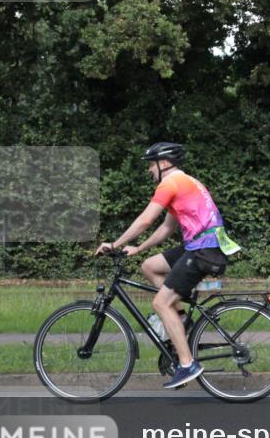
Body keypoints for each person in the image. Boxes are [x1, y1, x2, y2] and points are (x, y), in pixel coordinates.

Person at [95, 142, 235, 388]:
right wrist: (138, 249)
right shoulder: (185, 183)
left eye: (151, 164)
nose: (149, 170)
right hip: (202, 246)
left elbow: (146, 220)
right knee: (149, 266)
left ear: (164, 163)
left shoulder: (169, 183)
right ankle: (179, 319)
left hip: (203, 251)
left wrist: (115, 245)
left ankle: (187, 363)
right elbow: (166, 228)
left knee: (160, 303)